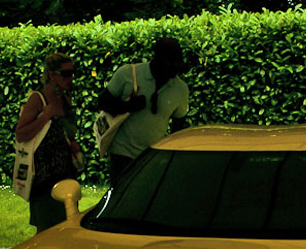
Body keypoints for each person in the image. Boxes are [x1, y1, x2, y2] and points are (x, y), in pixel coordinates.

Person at [98, 37, 189, 185]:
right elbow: (103, 102)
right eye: (169, 65)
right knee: (122, 201)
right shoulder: (128, 73)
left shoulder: (180, 88)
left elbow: (178, 127)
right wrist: (127, 106)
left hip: (153, 156)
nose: (173, 71)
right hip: (122, 153)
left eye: (176, 66)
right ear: (157, 59)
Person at [15, 51, 83, 232]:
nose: (71, 78)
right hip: (44, 177)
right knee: (46, 229)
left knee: (68, 224)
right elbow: (21, 134)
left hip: (65, 172)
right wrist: (45, 116)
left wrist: (73, 145)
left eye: (73, 73)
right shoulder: (37, 99)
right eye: (66, 74)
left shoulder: (65, 100)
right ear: (52, 75)